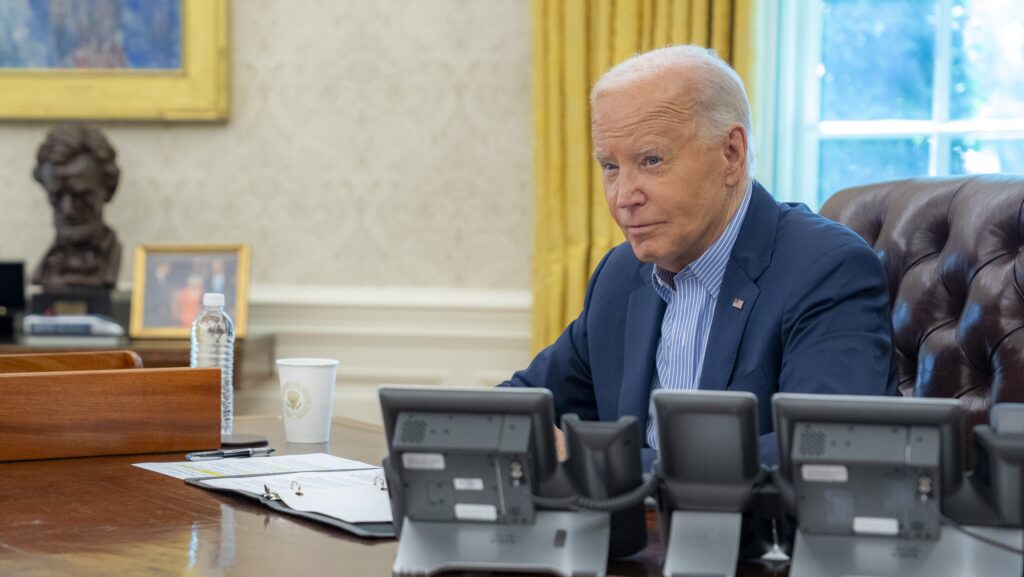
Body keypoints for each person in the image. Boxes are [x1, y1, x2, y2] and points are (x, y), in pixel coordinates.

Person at [501, 45, 898, 468]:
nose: (623, 198)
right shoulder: (619, 276)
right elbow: (512, 410)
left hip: (767, 534)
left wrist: (596, 461)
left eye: (651, 160)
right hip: (634, 533)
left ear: (731, 154)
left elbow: (821, 448)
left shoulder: (828, 269)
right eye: (610, 166)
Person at [31, 123, 122, 291]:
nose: (68, 210)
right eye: (56, 196)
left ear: (108, 190)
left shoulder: (109, 260)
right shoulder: (47, 268)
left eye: (82, 197)